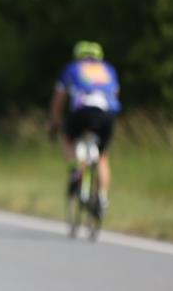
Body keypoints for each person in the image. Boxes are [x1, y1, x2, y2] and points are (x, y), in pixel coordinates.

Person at [48, 41, 121, 216]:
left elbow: (59, 100)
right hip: (106, 114)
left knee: (67, 136)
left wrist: (54, 123)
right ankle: (102, 197)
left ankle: (76, 171)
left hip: (82, 111)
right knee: (102, 157)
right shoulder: (108, 70)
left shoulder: (72, 68)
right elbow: (115, 94)